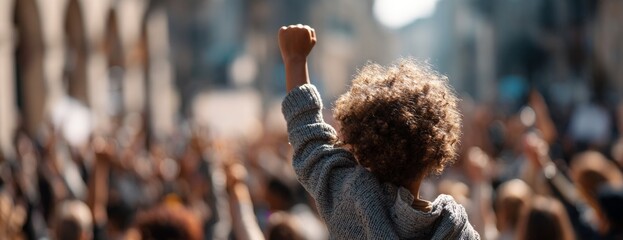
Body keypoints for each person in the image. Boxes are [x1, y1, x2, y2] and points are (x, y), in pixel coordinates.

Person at [278, 24, 479, 239]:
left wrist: (295, 59)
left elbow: (310, 142)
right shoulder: (458, 232)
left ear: (361, 146)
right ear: (435, 150)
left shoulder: (353, 204)